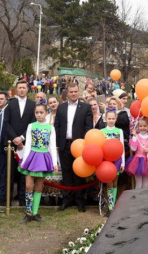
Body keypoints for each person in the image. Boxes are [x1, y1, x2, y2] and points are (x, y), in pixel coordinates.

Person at [54, 83, 93, 212]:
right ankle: (66, 199)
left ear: (79, 92)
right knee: (66, 172)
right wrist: (57, 144)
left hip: (80, 146)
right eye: (71, 92)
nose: (73, 94)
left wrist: (85, 144)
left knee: (79, 173)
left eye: (75, 91)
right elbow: (57, 126)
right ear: (67, 93)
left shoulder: (86, 108)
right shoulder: (61, 108)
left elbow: (88, 128)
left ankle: (80, 201)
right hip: (64, 144)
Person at [18, 103, 59, 224]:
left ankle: (35, 212)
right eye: (37, 112)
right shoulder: (31, 126)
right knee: (28, 186)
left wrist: (54, 162)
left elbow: (52, 146)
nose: (39, 114)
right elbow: (28, 144)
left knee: (39, 186)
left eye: (41, 112)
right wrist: (25, 160)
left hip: (44, 158)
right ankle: (28, 212)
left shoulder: (51, 128)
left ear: (46, 113)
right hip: (32, 157)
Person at [3, 80, 36, 206]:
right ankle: (7, 200)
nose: (22, 90)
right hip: (11, 144)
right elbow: (6, 123)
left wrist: (22, 138)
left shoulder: (32, 105)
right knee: (9, 173)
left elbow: (32, 124)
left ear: (27, 89)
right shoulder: (10, 104)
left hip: (26, 145)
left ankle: (23, 201)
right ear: (16, 89)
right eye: (19, 88)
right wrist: (15, 139)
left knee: (24, 174)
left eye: (24, 87)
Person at [100, 110, 125, 213]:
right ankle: (110, 206)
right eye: (109, 118)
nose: (111, 120)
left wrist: (123, 162)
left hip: (117, 159)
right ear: (105, 119)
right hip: (106, 160)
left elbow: (122, 146)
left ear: (116, 119)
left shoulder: (119, 131)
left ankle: (113, 206)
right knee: (109, 182)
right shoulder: (102, 131)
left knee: (115, 182)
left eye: (113, 118)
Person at [126, 117, 148, 189]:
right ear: (138, 127)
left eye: (145, 126)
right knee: (138, 184)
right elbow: (133, 148)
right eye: (140, 126)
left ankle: (144, 199)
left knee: (145, 185)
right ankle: (138, 200)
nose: (142, 128)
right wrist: (134, 136)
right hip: (137, 162)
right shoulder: (136, 137)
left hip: (147, 162)